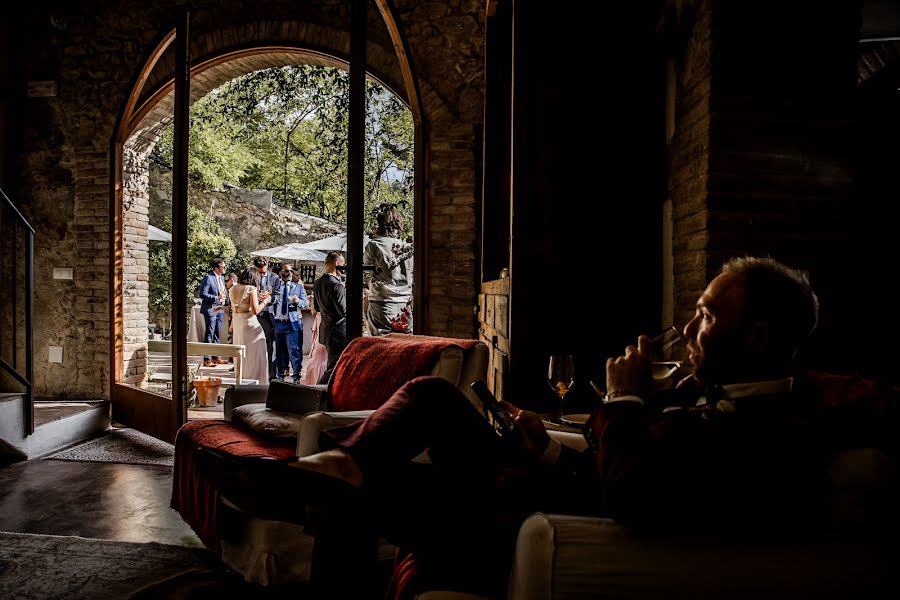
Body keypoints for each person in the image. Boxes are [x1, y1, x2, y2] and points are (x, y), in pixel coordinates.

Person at [290, 256, 871, 597]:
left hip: (544, 520)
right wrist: (545, 451)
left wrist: (623, 399)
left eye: (708, 315)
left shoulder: (776, 430)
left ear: (761, 337)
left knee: (367, 490)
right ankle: (343, 470)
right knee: (435, 398)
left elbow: (632, 493)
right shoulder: (703, 392)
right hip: (546, 487)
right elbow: (617, 466)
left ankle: (332, 477)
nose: (690, 328)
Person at [364, 203, 413, 335]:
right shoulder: (407, 248)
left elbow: (367, 271)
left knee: (380, 348)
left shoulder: (374, 245)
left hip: (382, 303)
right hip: (404, 304)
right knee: (404, 346)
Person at [229, 267, 272, 385]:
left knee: (242, 356)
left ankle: (242, 381)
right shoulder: (251, 288)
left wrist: (232, 325)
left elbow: (236, 308)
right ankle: (257, 383)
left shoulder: (233, 288)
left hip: (238, 325)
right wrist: (266, 301)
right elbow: (255, 310)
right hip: (250, 326)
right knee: (256, 355)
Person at [312, 251, 347, 385]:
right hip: (338, 331)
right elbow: (343, 312)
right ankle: (319, 392)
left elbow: (317, 307)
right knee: (334, 367)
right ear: (337, 263)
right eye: (343, 266)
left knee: (333, 364)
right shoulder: (337, 285)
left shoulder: (317, 283)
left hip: (326, 329)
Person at [273, 263, 308, 383]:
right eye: (286, 271)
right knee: (279, 351)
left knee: (294, 350)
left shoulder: (297, 287)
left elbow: (306, 303)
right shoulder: (275, 286)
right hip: (278, 323)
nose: (289, 274)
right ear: (280, 273)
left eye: (290, 271)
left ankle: (296, 377)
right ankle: (280, 376)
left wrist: (298, 301)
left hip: (292, 323)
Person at [253, 256, 281, 380]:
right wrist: (256, 297)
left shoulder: (275, 278)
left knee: (270, 345)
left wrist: (269, 299)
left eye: (263, 272)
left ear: (267, 266)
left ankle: (271, 374)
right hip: (255, 315)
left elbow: (278, 297)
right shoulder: (252, 276)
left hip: (270, 315)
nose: (261, 274)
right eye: (259, 272)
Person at [199, 258, 227, 367]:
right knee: (210, 333)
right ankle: (207, 358)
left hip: (220, 308)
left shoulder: (222, 278)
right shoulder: (208, 278)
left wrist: (224, 298)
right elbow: (202, 294)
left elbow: (223, 291)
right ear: (216, 268)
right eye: (222, 267)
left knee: (217, 333)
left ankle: (216, 357)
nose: (224, 268)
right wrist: (216, 297)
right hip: (211, 308)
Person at [303, 300, 328, 385]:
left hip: (321, 323)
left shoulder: (318, 289)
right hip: (322, 323)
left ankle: (314, 381)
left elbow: (313, 311)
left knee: (318, 355)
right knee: (320, 355)